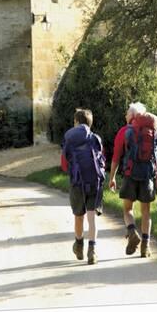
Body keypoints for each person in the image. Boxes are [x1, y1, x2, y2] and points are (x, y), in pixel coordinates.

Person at [109, 103, 157, 258]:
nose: (125, 115)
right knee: (146, 212)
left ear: (133, 115)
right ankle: (145, 247)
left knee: (127, 209)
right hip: (148, 177)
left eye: (127, 112)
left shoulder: (125, 132)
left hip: (130, 175)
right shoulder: (155, 133)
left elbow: (116, 157)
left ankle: (132, 232)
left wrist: (112, 177)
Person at [61, 109, 106, 265]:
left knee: (79, 216)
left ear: (76, 122)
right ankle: (92, 250)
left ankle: (79, 244)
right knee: (92, 218)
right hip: (95, 182)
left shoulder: (70, 139)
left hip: (77, 183)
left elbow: (64, 165)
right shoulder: (96, 139)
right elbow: (102, 160)